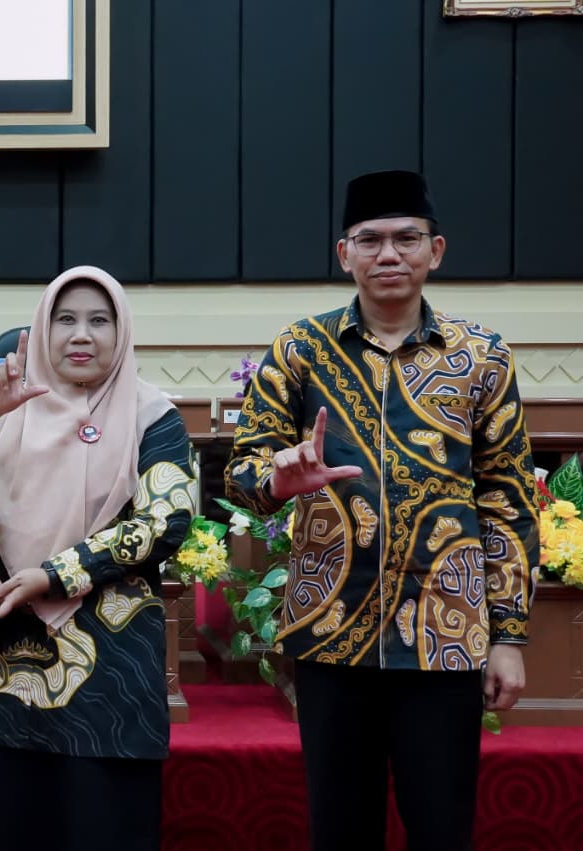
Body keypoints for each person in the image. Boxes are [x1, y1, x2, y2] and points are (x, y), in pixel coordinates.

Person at [225, 170, 539, 851]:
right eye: (370, 240)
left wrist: (509, 635)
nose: (388, 254)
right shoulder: (300, 350)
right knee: (341, 830)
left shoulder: (482, 357)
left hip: (446, 633)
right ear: (345, 254)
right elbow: (243, 472)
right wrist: (279, 479)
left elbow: (507, 500)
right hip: (330, 629)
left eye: (406, 238)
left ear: (436, 250)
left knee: (441, 827)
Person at [0, 266, 195, 851]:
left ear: (121, 332)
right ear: (42, 330)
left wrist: (55, 574)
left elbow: (166, 520)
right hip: (5, 669)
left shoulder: (153, 416)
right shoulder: (8, 408)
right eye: (65, 319)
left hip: (112, 672)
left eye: (99, 320)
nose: (80, 334)